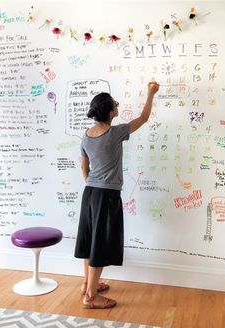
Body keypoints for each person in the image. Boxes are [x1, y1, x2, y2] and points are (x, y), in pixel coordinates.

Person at [74, 81, 159, 309]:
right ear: (111, 112)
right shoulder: (114, 133)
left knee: (91, 239)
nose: (117, 107)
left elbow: (84, 168)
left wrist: (93, 185)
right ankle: (90, 297)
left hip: (90, 193)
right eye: (116, 104)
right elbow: (143, 118)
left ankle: (87, 284)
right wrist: (150, 93)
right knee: (99, 244)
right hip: (106, 196)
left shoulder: (86, 135)